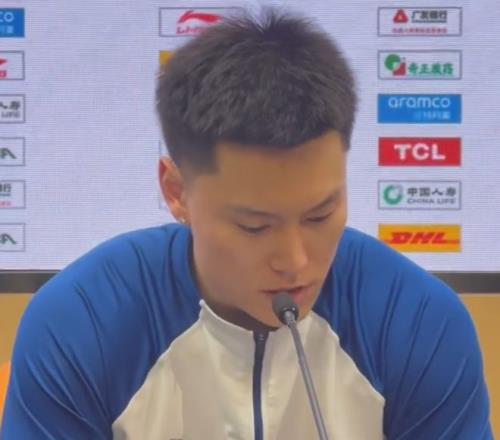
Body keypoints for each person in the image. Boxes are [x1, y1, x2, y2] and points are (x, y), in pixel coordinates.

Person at [1, 9, 492, 440]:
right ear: (176, 192)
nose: (296, 262)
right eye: (255, 227)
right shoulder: (81, 323)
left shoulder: (417, 323)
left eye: (320, 216)